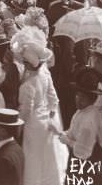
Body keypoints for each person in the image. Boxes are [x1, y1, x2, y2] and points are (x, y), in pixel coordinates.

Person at [17, 42, 68, 185]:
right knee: (45, 156)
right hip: (45, 120)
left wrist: (18, 126)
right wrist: (50, 115)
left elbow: (26, 111)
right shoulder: (45, 76)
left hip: (33, 123)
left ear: (28, 64)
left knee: (32, 156)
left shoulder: (28, 85)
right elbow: (54, 99)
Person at [53, 68, 102, 185]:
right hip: (83, 158)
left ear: (92, 99)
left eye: (83, 98)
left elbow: (82, 152)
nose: (78, 100)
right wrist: (62, 133)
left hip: (87, 162)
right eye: (77, 95)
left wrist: (66, 140)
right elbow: (74, 131)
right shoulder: (83, 111)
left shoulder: (88, 122)